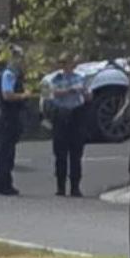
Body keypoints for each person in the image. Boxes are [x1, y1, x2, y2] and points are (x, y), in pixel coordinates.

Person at [0, 45, 30, 196]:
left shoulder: (10, 74)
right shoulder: (8, 75)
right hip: (8, 117)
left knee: (6, 151)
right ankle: (3, 183)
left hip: (8, 116)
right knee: (6, 152)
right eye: (19, 58)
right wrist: (23, 96)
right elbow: (7, 95)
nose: (21, 61)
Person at [49, 52, 89, 197]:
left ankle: (75, 186)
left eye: (67, 62)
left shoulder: (80, 78)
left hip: (76, 114)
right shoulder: (56, 78)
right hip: (62, 114)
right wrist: (69, 90)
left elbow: (88, 96)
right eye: (62, 63)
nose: (65, 66)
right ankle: (60, 186)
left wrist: (84, 92)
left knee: (76, 152)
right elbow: (53, 93)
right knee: (60, 153)